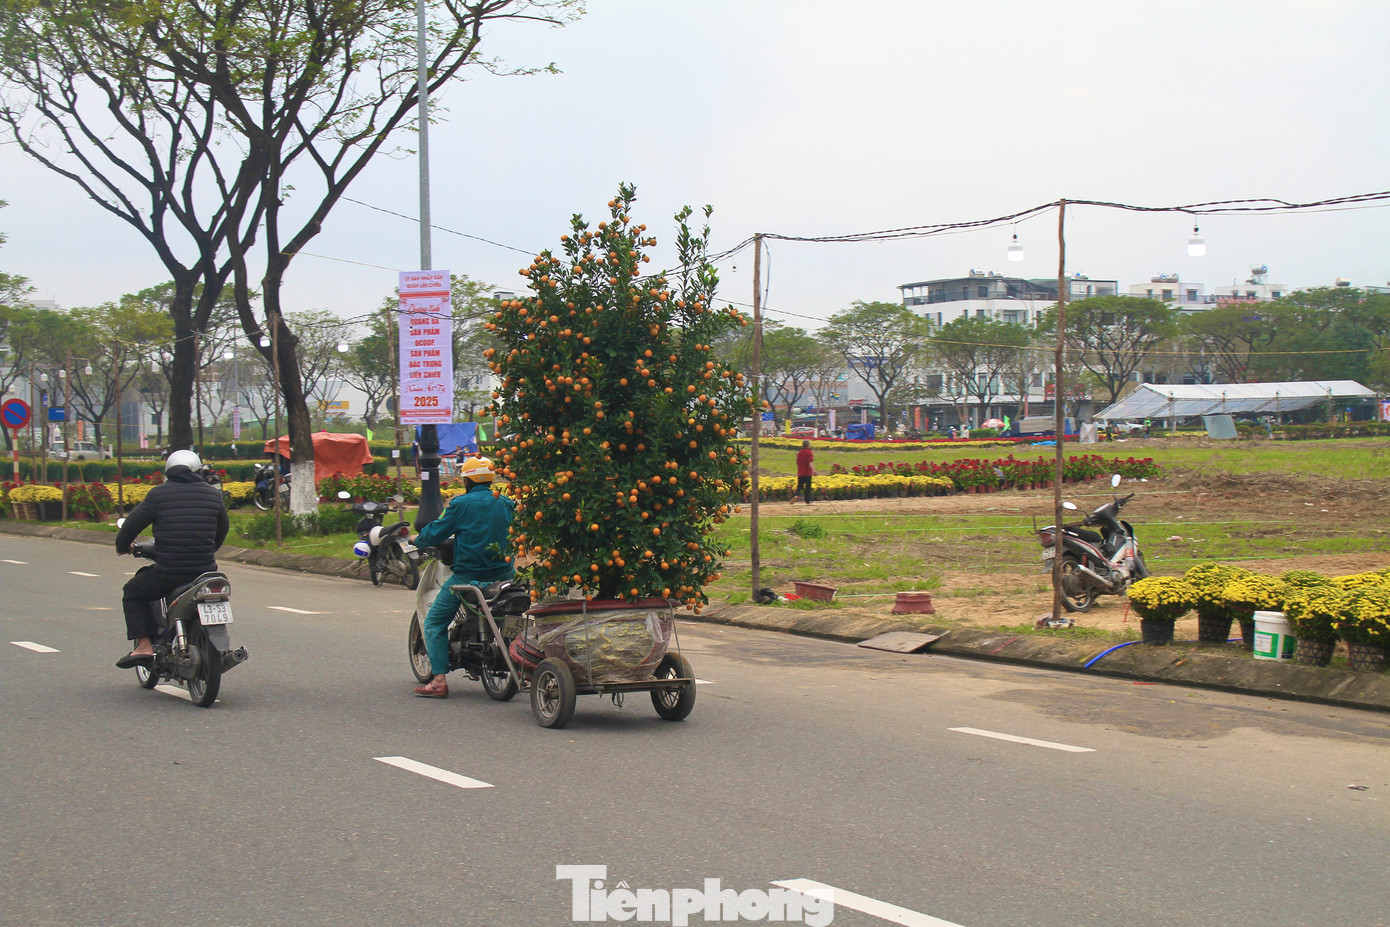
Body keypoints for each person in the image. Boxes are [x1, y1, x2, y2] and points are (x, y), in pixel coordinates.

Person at [409, 455, 515, 698]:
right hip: (505, 576)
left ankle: (437, 681)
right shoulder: (505, 502)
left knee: (434, 622)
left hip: (469, 578)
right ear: (489, 480)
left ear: (467, 480)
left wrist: (418, 539)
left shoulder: (460, 505)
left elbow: (436, 532)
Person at [113, 450, 229, 668]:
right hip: (206, 573)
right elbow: (222, 530)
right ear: (198, 471)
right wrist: (208, 549)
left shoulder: (158, 495)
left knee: (133, 592)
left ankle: (144, 646)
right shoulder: (213, 495)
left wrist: (122, 546)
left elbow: (131, 526)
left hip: (169, 573)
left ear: (168, 472)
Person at [795, 439, 815, 505]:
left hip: (800, 472)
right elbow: (810, 462)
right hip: (807, 472)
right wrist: (814, 470)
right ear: (808, 445)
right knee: (807, 487)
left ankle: (796, 495)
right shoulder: (809, 452)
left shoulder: (799, 453)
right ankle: (807, 501)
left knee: (799, 486)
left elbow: (797, 462)